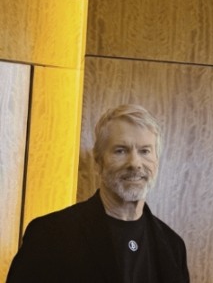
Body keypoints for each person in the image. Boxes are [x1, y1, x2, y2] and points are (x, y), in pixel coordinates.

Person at [7, 104, 190, 282]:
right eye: (121, 151)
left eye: (145, 151)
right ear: (98, 162)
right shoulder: (49, 234)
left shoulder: (173, 246)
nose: (135, 163)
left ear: (156, 161)